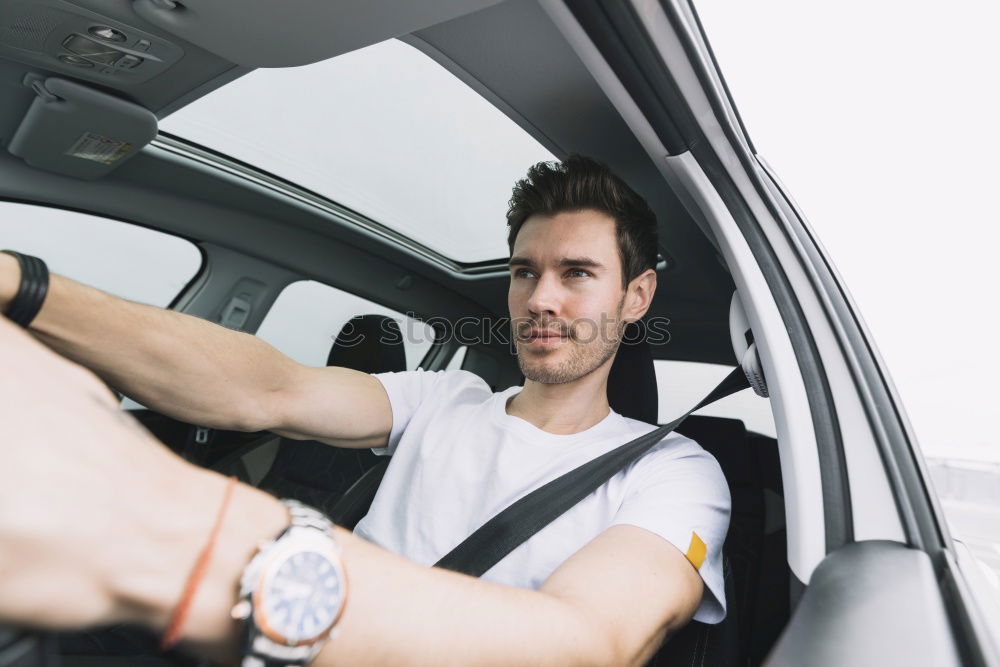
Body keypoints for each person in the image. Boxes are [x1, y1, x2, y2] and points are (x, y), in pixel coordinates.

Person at [0, 155, 730, 666]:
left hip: (284, 615)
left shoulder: (676, 472)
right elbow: (268, 388)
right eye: (523, 272)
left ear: (635, 297)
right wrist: (24, 288)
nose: (540, 297)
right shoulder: (446, 397)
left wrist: (180, 536)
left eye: (577, 273)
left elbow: (591, 643)